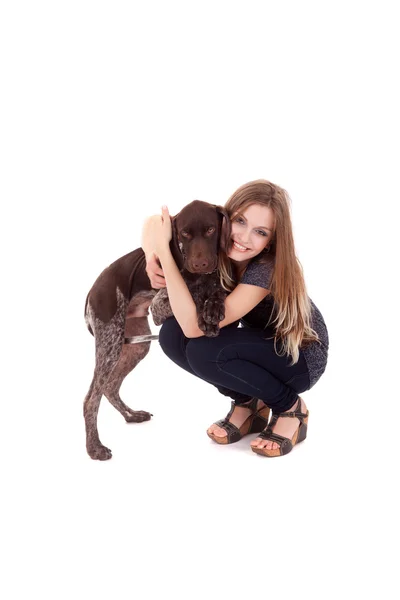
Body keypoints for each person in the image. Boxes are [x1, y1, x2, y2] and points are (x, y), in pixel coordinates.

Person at [141, 179, 329, 457]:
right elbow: (154, 222)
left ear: (271, 241)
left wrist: (167, 262)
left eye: (261, 232)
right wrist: (150, 252)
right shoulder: (215, 249)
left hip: (298, 356)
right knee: (171, 334)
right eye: (240, 221)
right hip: (260, 346)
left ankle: (290, 407)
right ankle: (248, 403)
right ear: (223, 218)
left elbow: (195, 328)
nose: (244, 238)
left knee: (202, 346)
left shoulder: (265, 269)